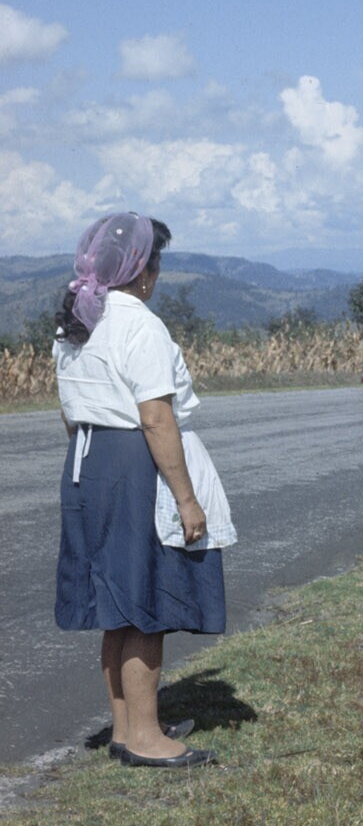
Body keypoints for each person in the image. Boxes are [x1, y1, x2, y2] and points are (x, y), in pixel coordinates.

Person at [53, 212, 222, 768]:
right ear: (142, 271)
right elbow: (155, 417)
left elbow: (70, 412)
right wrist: (187, 498)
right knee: (147, 598)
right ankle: (146, 737)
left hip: (87, 461)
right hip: (133, 462)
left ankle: (126, 729)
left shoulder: (77, 321)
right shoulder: (140, 325)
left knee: (116, 604)